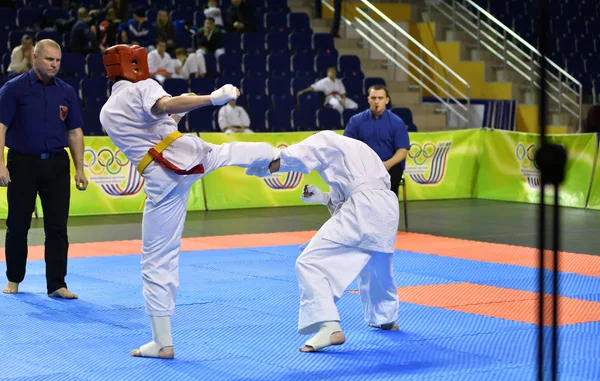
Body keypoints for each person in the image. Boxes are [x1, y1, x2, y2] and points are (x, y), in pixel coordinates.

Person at [99, 44, 278, 359]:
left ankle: (162, 341)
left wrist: (182, 107)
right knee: (229, 153)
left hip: (159, 180)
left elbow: (158, 122)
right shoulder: (144, 87)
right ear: (136, 66)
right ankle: (282, 158)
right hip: (185, 158)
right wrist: (213, 98)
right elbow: (164, 107)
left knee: (155, 259)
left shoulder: (107, 113)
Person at [246, 130, 400, 352]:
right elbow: (357, 193)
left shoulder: (326, 139)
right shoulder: (362, 151)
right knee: (375, 263)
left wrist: (265, 166)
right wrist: (322, 196)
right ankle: (385, 317)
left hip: (365, 208)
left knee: (309, 262)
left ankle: (329, 326)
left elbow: (292, 156)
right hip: (386, 207)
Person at [0, 39, 88, 299]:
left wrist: (80, 168)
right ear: (35, 58)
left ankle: (57, 284)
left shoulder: (66, 91)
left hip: (57, 165)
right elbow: (1, 128)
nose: (54, 64)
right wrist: (1, 165)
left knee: (58, 227)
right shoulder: (13, 89)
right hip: (22, 164)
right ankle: (14, 278)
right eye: (49, 59)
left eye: (58, 60)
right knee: (18, 224)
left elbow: (75, 131)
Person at [344, 84, 409, 197]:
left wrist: (387, 165)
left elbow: (402, 151)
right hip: (362, 168)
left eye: (380, 98)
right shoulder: (355, 121)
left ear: (387, 100)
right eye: (373, 98)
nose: (376, 101)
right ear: (368, 99)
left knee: (393, 176)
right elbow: (347, 146)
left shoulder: (397, 122)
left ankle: (389, 211)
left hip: (389, 167)